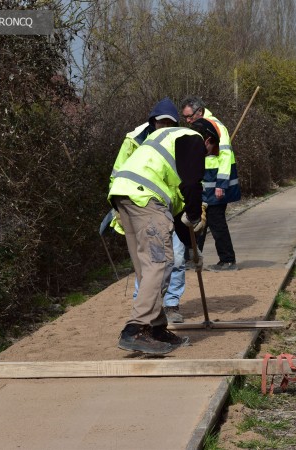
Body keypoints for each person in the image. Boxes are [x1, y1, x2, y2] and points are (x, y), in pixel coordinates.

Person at [108, 115, 220, 355]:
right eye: (211, 151)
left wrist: (192, 250)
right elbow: (192, 185)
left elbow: (179, 216)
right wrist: (195, 214)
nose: (207, 157)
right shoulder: (194, 139)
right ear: (208, 140)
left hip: (124, 196)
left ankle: (156, 328)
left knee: (146, 267)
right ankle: (135, 329)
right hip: (147, 199)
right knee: (160, 263)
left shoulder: (167, 136)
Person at [108, 98, 188, 323]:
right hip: (142, 206)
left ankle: (171, 304)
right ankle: (143, 309)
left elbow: (182, 178)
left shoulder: (176, 141)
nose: (165, 126)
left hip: (170, 207)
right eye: (161, 122)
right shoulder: (133, 141)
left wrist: (190, 207)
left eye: (169, 123)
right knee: (148, 260)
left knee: (177, 257)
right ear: (153, 121)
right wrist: (117, 209)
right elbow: (118, 173)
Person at [180, 96, 241, 272]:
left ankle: (228, 260)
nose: (188, 120)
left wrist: (221, 184)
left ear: (199, 111)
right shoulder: (198, 127)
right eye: (185, 117)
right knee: (198, 221)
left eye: (190, 116)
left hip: (216, 184)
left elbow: (225, 157)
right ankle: (193, 259)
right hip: (203, 183)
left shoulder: (216, 126)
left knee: (216, 222)